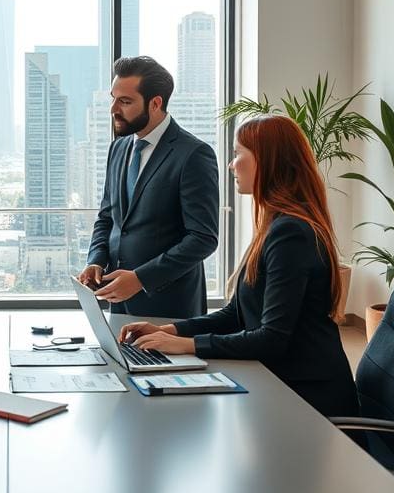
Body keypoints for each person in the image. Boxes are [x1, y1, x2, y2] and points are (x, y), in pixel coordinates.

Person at [119, 114, 358, 418]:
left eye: (237, 154)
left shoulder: (291, 233)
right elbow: (237, 314)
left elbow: (271, 339)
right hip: (281, 382)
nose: (231, 165)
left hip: (307, 399)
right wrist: (170, 330)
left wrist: (187, 345)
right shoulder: (275, 225)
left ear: (268, 160)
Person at [78, 56, 219, 318]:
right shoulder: (118, 148)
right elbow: (107, 217)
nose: (113, 110)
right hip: (117, 303)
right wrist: (96, 260)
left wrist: (141, 279)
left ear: (155, 103)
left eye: (125, 101)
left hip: (171, 310)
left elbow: (203, 239)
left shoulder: (194, 154)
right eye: (113, 98)